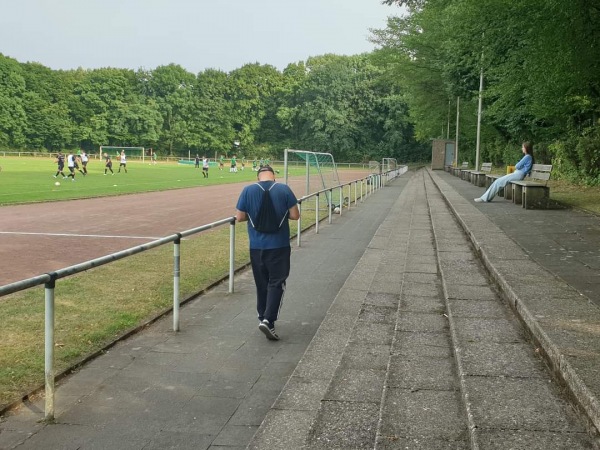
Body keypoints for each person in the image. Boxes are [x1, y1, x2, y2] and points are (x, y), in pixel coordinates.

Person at [235, 165, 300, 340]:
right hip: (279, 245)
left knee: (262, 283)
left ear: (258, 178)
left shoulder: (247, 190)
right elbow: (295, 215)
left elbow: (240, 217)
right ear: (273, 177)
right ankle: (268, 320)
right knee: (277, 282)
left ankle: (261, 314)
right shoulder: (284, 189)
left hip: (256, 246)